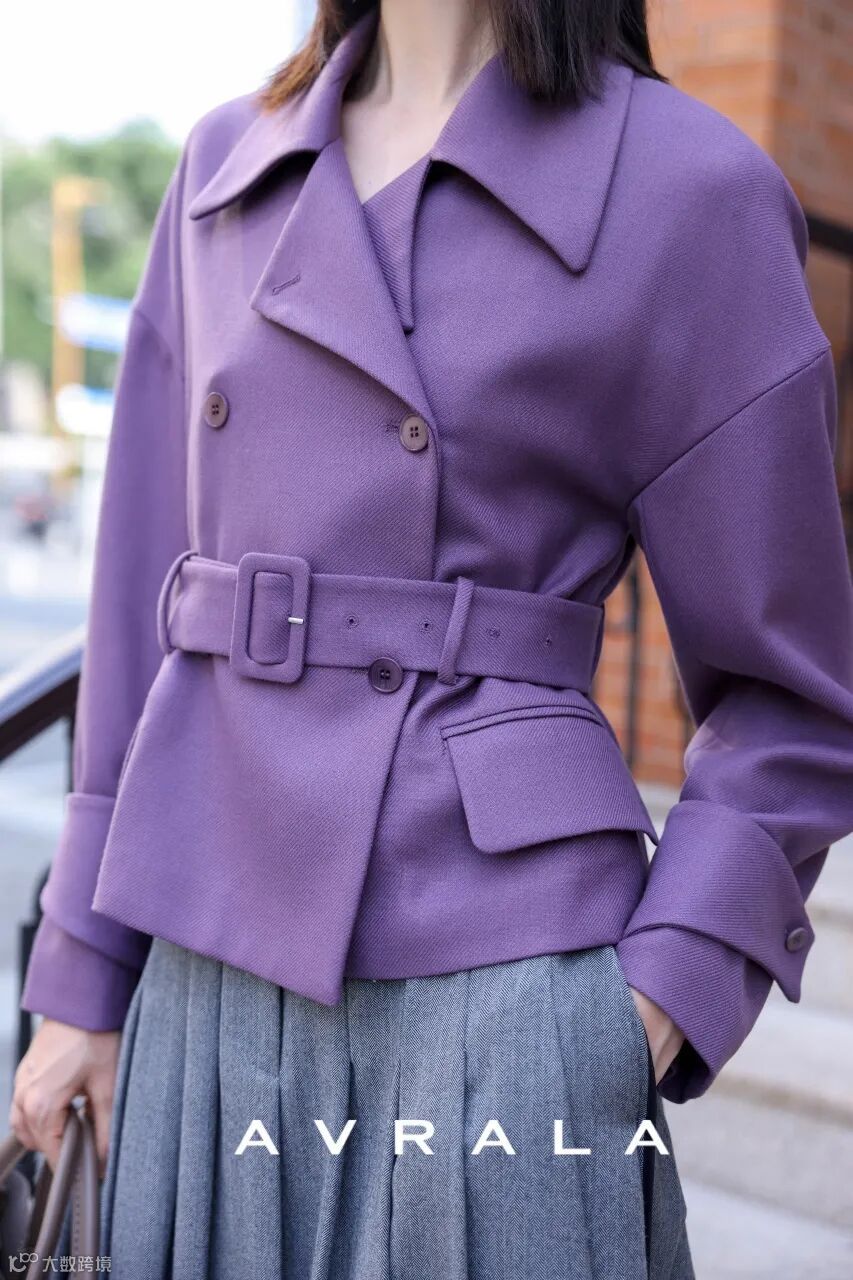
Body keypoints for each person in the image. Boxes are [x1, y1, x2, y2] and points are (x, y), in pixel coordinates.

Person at [11, 1, 853, 1276]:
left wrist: (652, 999)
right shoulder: (226, 166)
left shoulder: (687, 190)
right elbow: (142, 607)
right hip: (202, 970)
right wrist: (80, 973)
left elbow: (793, 694)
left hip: (505, 986)